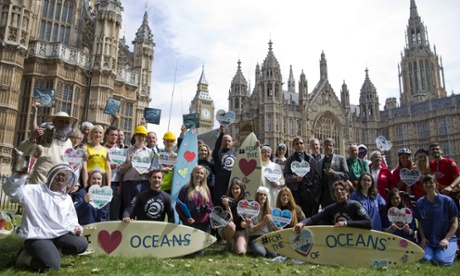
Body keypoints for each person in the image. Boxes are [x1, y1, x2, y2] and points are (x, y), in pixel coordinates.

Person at [3, 163, 88, 272]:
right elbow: (12, 192)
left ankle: (50, 250)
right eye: (58, 174)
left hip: (58, 235)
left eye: (63, 175)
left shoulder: (66, 198)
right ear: (51, 175)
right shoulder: (34, 191)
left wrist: (76, 227)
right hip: (38, 236)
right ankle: (24, 258)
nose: (60, 177)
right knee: (52, 266)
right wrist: (19, 177)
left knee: (81, 244)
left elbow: (71, 218)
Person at [17, 111, 78, 184]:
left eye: (67, 122)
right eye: (61, 121)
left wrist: (81, 158)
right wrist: (32, 138)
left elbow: (71, 164)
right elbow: (22, 151)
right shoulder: (43, 136)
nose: (64, 124)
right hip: (42, 183)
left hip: (59, 186)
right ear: (54, 122)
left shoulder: (68, 142)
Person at [294, 180, 372, 234]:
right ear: (333, 194)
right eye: (336, 190)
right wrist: (302, 223)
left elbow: (368, 223)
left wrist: (346, 223)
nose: (339, 191)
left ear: (347, 193)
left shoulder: (355, 205)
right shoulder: (331, 208)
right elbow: (313, 218)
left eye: (342, 189)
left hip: (354, 239)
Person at [414, 175, 458, 266]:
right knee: (425, 259)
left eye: (431, 182)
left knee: (441, 261)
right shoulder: (420, 202)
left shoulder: (447, 201)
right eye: (426, 183)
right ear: (423, 186)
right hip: (429, 240)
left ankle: (449, 251)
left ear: (436, 184)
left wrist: (446, 239)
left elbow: (455, 222)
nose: (429, 184)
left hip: (445, 238)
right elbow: (420, 223)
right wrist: (423, 238)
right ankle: (435, 252)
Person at [175, 166, 213, 256]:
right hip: (190, 223)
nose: (199, 175)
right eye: (197, 172)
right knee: (189, 253)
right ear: (192, 174)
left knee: (200, 254)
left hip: (204, 224)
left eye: (201, 173)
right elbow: (178, 206)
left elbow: (211, 206)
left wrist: (210, 214)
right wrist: (186, 218)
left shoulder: (206, 190)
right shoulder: (185, 189)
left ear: (204, 176)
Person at [284, 136, 321, 218]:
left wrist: (315, 193)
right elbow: (286, 175)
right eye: (297, 144)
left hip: (309, 192)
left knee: (310, 216)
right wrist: (295, 178)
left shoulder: (310, 159)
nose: (299, 145)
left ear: (304, 145)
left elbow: (316, 176)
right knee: (297, 216)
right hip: (295, 192)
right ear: (293, 146)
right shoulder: (290, 159)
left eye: (301, 143)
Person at [119, 125, 155, 210]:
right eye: (139, 135)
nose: (141, 138)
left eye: (143, 136)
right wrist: (130, 163)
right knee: (128, 209)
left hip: (144, 183)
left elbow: (153, 170)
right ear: (135, 136)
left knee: (143, 209)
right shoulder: (126, 151)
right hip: (129, 184)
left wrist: (145, 172)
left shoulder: (150, 152)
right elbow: (120, 170)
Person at [318, 138, 349, 208]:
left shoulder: (341, 159)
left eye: (330, 145)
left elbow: (346, 175)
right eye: (326, 145)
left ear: (333, 146)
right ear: (323, 146)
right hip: (324, 197)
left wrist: (334, 173)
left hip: (337, 194)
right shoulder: (319, 162)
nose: (328, 147)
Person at [219, 178, 247, 254]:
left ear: (241, 189)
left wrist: (247, 223)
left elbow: (244, 225)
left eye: (237, 188)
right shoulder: (225, 200)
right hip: (227, 229)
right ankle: (229, 243)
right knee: (231, 225)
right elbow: (229, 219)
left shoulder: (244, 204)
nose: (235, 191)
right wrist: (227, 206)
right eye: (233, 188)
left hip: (239, 230)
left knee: (241, 252)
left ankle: (236, 242)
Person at [247, 186, 277, 258]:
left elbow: (272, 228)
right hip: (255, 237)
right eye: (260, 195)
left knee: (273, 254)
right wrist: (263, 222)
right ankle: (255, 247)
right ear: (257, 196)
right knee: (260, 253)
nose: (262, 196)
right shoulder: (251, 210)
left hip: (267, 237)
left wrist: (276, 226)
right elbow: (251, 229)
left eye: (264, 195)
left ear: (267, 197)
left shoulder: (271, 210)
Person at [212, 125, 236, 207]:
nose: (227, 142)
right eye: (225, 141)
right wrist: (222, 133)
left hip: (231, 187)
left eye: (229, 141)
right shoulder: (218, 154)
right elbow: (216, 147)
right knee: (219, 209)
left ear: (232, 142)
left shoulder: (236, 155)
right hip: (219, 188)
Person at [103, 126, 123, 220]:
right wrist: (109, 167)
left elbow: (123, 171)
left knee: (114, 214)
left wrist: (121, 185)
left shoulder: (120, 152)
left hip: (116, 185)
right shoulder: (102, 150)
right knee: (103, 213)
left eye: (116, 135)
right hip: (104, 184)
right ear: (107, 136)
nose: (114, 137)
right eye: (112, 135)